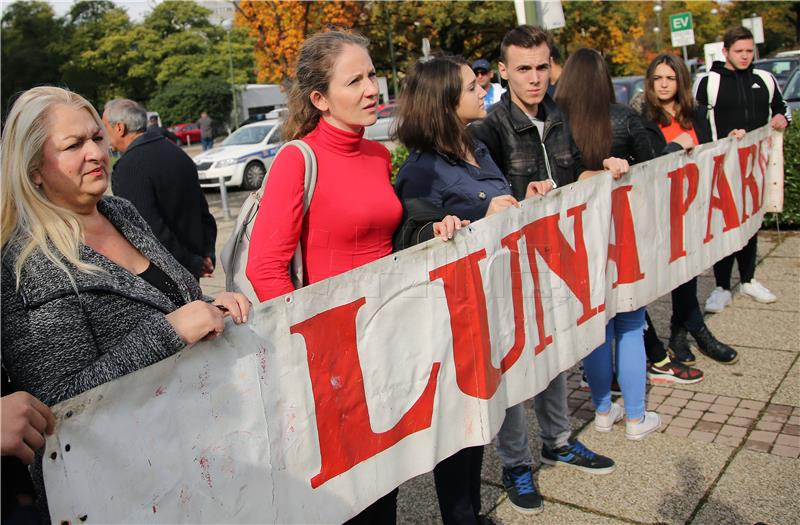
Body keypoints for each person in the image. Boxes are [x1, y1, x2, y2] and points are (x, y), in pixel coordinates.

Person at [0, 86, 250, 519]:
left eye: (96, 137)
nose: (95, 153)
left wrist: (214, 306)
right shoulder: (27, 262)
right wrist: (170, 333)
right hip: (122, 493)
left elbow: (173, 301)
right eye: (73, 145)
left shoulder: (120, 213)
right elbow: (59, 405)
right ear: (34, 170)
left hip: (199, 457)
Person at [244, 31, 400, 524]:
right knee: (348, 494)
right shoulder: (297, 158)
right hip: (332, 354)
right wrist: (312, 345)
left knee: (388, 476)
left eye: (372, 74)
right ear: (320, 98)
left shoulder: (379, 156)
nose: (372, 88)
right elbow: (264, 266)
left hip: (389, 336)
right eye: (355, 80)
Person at [471, 25, 627, 515]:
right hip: (512, 269)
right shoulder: (488, 129)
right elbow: (485, 202)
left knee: (556, 356)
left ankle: (558, 440)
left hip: (557, 262)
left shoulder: (559, 114)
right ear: (503, 71)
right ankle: (515, 464)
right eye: (523, 69)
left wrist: (604, 172)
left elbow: (573, 171)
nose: (535, 78)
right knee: (515, 369)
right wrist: (520, 200)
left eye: (542, 67)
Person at [394, 55, 528, 525]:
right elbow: (411, 244)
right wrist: (477, 221)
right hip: (448, 317)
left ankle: (470, 510)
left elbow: (495, 201)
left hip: (486, 305)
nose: (483, 92)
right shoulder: (420, 171)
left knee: (477, 421)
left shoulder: (478, 147)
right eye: (473, 87)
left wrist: (524, 203)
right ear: (446, 102)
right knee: (456, 425)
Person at [554, 48, 660, 441]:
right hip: (624, 233)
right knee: (631, 322)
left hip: (579, 238)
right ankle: (636, 416)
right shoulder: (624, 119)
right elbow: (656, 165)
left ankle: (602, 409)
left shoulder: (556, 123)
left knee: (597, 326)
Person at [640, 53, 738, 368]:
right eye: (658, 79)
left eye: (670, 78)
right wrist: (674, 147)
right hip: (663, 209)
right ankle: (697, 329)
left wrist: (731, 142)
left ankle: (679, 336)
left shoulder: (695, 115)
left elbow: (710, 152)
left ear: (681, 81)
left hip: (694, 207)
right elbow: (647, 164)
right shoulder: (643, 119)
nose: (664, 84)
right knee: (678, 273)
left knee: (689, 272)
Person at [696, 26, 791, 313]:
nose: (745, 56)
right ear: (725, 51)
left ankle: (748, 280)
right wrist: (722, 143)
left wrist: (781, 118)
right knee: (723, 227)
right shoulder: (708, 82)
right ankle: (722, 287)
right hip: (720, 170)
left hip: (755, 171)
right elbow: (698, 125)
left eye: (750, 51)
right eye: (739, 51)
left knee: (750, 224)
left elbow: (783, 109)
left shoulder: (765, 79)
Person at [103, 99, 217, 280]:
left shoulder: (129, 168)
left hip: (164, 276)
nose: (103, 133)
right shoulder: (177, 152)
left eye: (105, 127)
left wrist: (194, 262)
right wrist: (206, 254)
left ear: (119, 128)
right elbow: (203, 211)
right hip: (190, 265)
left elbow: (147, 232)